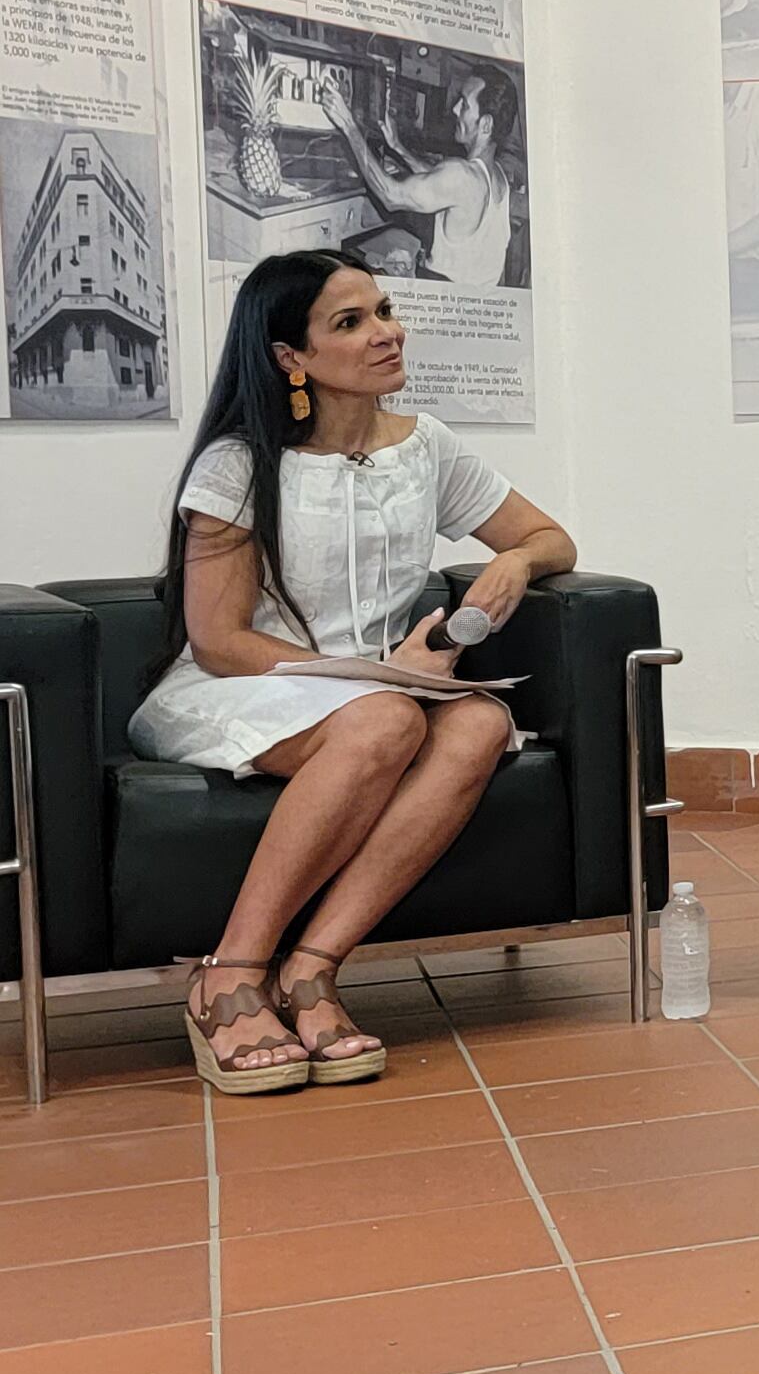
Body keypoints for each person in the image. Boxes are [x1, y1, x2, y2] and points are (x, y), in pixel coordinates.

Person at [135, 250, 576, 1095]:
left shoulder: (426, 447)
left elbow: (551, 537)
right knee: (387, 718)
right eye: (351, 322)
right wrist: (370, 678)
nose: (386, 333)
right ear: (288, 358)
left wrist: (514, 567)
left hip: (386, 691)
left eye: (382, 309)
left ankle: (312, 968)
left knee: (480, 720)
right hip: (240, 689)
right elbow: (221, 640)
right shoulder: (238, 464)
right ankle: (228, 975)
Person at [311, 63, 518, 288]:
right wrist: (398, 147)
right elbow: (439, 180)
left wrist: (347, 124)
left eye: (465, 105)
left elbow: (390, 196)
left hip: (442, 302)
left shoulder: (461, 175)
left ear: (485, 124)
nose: (455, 109)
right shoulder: (497, 177)